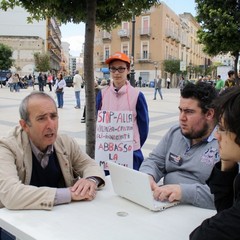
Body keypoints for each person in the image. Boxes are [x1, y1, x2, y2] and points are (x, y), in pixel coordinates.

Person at [0, 91, 105, 211]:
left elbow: (89, 164)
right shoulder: (7, 147)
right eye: (41, 118)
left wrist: (91, 180)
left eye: (53, 116)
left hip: (60, 219)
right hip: (17, 224)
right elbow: (11, 194)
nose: (51, 125)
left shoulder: (65, 142)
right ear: (24, 125)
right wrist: (69, 194)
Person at [140, 82, 219, 209]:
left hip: (201, 213)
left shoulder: (226, 142)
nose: (182, 118)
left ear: (209, 114)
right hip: (165, 205)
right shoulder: (176, 132)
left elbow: (226, 195)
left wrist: (183, 192)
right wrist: (147, 176)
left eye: (189, 112)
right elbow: (155, 160)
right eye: (180, 110)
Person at [189, 86, 240, 239]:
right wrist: (227, 164)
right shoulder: (174, 132)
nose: (217, 136)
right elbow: (225, 210)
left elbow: (204, 235)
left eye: (223, 129)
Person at [96, 52, 149, 173]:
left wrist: (134, 144)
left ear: (128, 70)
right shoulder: (102, 94)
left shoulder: (137, 95)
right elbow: (99, 122)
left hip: (130, 153)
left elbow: (143, 126)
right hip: (106, 153)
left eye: (121, 69)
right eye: (113, 69)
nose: (116, 73)